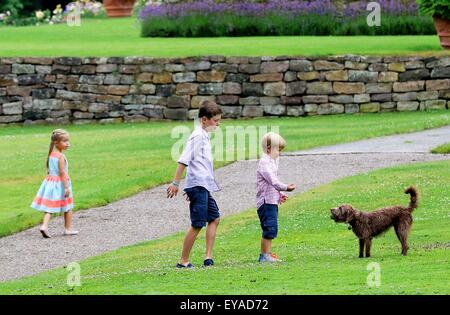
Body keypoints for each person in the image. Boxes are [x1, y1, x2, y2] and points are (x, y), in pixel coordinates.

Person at [167, 101, 222, 268]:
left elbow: (199, 164)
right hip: (198, 186)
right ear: (204, 120)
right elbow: (184, 159)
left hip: (201, 185)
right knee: (198, 223)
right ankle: (183, 261)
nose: (218, 124)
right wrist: (176, 183)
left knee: (214, 218)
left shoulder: (204, 136)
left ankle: (208, 257)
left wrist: (189, 186)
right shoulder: (198, 136)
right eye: (215, 120)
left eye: (219, 120)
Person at [31, 129, 78, 238]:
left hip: (51, 183)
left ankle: (44, 226)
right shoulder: (60, 157)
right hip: (60, 184)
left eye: (68, 141)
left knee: (49, 207)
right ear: (56, 142)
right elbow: (62, 173)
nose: (68, 144)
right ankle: (68, 229)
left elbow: (51, 170)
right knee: (68, 207)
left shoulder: (52, 154)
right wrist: (66, 188)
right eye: (65, 141)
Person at [256, 132, 295, 262]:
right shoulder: (264, 163)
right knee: (269, 227)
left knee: (272, 227)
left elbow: (272, 184)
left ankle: (268, 253)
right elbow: (273, 181)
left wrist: (280, 194)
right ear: (268, 148)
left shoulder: (271, 162)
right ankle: (264, 256)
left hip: (272, 201)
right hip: (266, 202)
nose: (279, 153)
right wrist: (286, 187)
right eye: (278, 150)